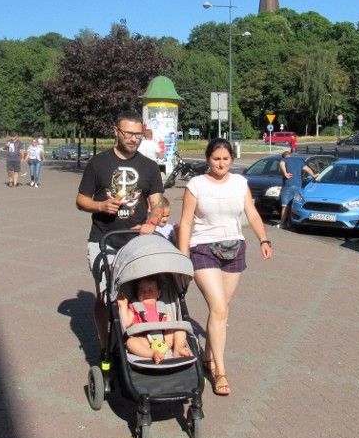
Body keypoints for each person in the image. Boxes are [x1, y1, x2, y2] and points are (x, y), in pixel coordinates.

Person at [176, 138, 272, 396]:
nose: (221, 164)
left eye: (226, 159)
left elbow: (251, 213)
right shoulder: (196, 185)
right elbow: (185, 223)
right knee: (218, 308)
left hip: (235, 249)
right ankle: (220, 371)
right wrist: (183, 257)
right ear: (208, 159)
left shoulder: (240, 183)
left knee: (221, 311)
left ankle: (208, 357)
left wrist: (263, 239)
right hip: (203, 249)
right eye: (216, 159)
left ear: (231, 159)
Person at [76, 110, 166, 355]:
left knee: (138, 294)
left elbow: (158, 202)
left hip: (136, 243)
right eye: (128, 133)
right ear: (115, 131)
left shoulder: (149, 167)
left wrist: (153, 220)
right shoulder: (99, 163)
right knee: (106, 297)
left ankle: (133, 342)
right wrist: (100, 206)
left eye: (138, 134)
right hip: (103, 241)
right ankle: (106, 346)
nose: (134, 139)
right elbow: (80, 200)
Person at [116, 275, 191, 364]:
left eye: (150, 290)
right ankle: (153, 353)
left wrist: (173, 332)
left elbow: (170, 325)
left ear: (158, 293)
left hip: (164, 340)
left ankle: (178, 349)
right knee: (130, 342)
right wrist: (123, 305)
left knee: (180, 330)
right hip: (145, 341)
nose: (146, 293)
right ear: (136, 293)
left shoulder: (162, 307)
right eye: (142, 290)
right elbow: (126, 322)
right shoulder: (134, 307)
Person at [279, 150, 317, 229]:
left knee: (285, 205)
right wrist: (313, 175)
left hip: (289, 185)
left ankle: (282, 224)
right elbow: (308, 169)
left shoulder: (284, 160)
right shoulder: (298, 161)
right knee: (295, 205)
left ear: (283, 156)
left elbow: (281, 164)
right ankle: (292, 224)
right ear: (290, 155)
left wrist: (285, 173)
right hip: (298, 186)